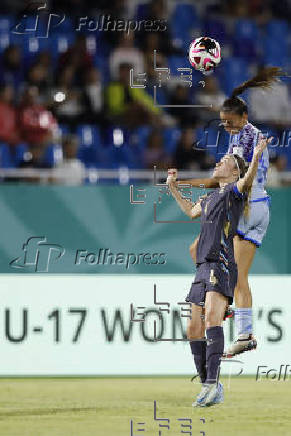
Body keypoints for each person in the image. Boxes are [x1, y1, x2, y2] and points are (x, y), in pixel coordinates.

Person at [179, 67, 282, 357]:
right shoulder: (240, 136)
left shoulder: (249, 138)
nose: (227, 127)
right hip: (251, 206)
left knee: (234, 273)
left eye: (231, 122)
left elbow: (236, 179)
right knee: (198, 249)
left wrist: (193, 184)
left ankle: (245, 332)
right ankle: (226, 306)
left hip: (249, 207)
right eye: (224, 123)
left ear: (244, 118)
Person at [167, 136, 271, 407]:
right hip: (202, 266)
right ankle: (208, 385)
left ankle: (212, 386)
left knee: (213, 318)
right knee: (193, 328)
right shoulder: (211, 196)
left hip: (222, 263)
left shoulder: (234, 192)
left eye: (223, 161)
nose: (217, 162)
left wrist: (257, 155)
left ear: (234, 171)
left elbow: (248, 179)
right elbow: (191, 212)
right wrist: (173, 189)